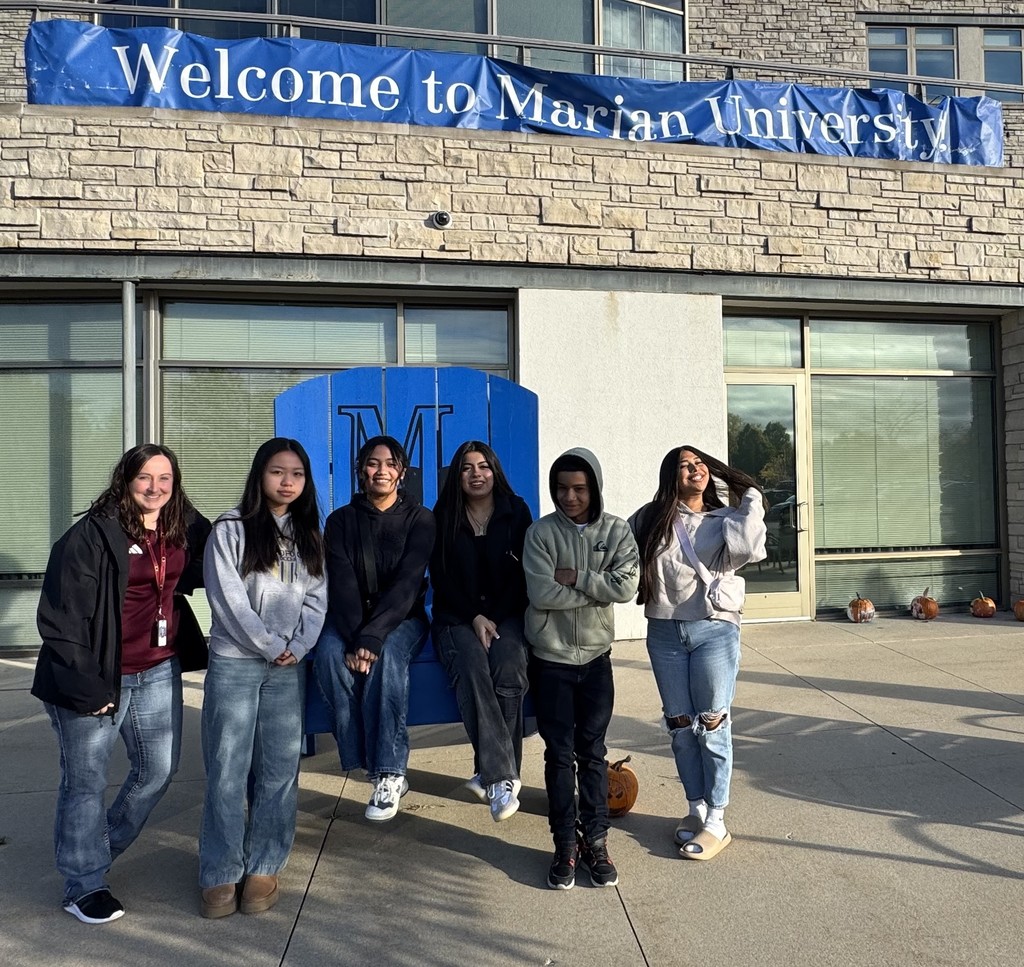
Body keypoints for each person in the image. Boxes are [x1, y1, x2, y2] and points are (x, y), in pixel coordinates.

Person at [33, 444, 210, 924]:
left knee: (156, 772)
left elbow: (216, 560)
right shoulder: (89, 538)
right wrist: (88, 689)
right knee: (85, 783)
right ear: (124, 481)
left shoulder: (184, 528)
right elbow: (59, 620)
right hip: (94, 676)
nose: (154, 488)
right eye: (144, 478)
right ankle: (84, 884)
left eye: (165, 479)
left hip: (156, 668)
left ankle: (91, 852)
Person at [198, 438, 327, 918]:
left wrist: (300, 645)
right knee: (227, 770)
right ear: (260, 475)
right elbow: (227, 600)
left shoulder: (309, 532)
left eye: (297, 473)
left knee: (278, 769)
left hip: (289, 667)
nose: (287, 481)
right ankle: (220, 872)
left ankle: (265, 864)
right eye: (278, 472)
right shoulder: (230, 530)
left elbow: (317, 596)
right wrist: (272, 645)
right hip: (237, 662)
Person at [630, 446, 766, 861]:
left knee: (712, 725)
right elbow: (621, 551)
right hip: (665, 632)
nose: (695, 470)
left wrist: (752, 497)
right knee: (680, 727)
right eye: (685, 465)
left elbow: (748, 550)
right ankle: (695, 808)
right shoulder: (650, 518)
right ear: (670, 474)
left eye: (700, 464)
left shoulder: (726, 520)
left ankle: (717, 821)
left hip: (714, 630)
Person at [523, 447, 639, 890]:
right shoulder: (540, 534)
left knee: (593, 753)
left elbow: (626, 586)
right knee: (560, 753)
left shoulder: (617, 530)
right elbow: (542, 594)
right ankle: (564, 844)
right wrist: (599, 588)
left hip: (595, 660)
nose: (569, 497)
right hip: (550, 661)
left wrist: (579, 578)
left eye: (579, 488)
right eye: (562, 488)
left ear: (594, 489)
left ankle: (596, 839)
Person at [313, 435, 436, 822]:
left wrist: (372, 637)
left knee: (385, 663)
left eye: (389, 463)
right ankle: (363, 759)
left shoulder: (421, 519)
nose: (380, 470)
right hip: (349, 619)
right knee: (330, 658)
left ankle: (389, 772)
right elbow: (342, 579)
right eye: (372, 463)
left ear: (401, 473)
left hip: (402, 619)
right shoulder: (340, 521)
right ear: (360, 472)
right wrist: (355, 636)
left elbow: (408, 584)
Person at [430, 441, 533, 822]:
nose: (477, 474)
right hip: (457, 617)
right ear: (457, 476)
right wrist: (474, 616)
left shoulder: (516, 511)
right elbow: (440, 579)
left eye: (484, 466)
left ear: (495, 471)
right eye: (467, 468)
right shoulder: (442, 516)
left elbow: (525, 572)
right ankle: (502, 777)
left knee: (509, 663)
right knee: (472, 665)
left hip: (506, 613)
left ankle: (492, 774)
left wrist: (495, 617)